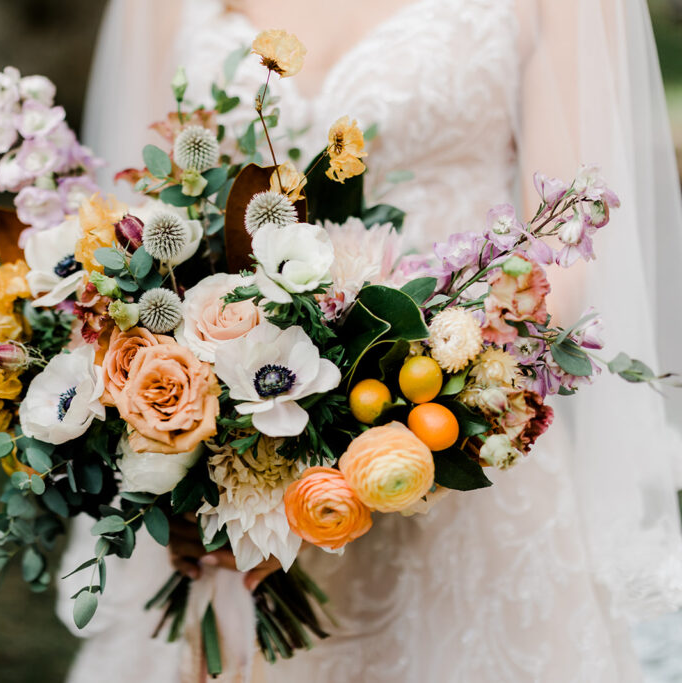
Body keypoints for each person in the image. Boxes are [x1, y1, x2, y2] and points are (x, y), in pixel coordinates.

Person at [57, 1, 682, 680]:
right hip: (224, 489)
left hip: (453, 446)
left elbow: (568, 239)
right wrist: (183, 439)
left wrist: (433, 414)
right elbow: (135, 218)